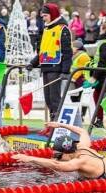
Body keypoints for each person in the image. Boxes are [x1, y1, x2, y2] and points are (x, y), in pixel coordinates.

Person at [12, 122, 106, 179]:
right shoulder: (83, 146)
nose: (56, 158)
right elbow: (82, 131)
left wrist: (30, 158)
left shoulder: (80, 161)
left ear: (67, 153)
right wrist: (60, 125)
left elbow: (57, 165)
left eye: (58, 156)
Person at [26, 3, 72, 134]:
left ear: (52, 14)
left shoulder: (62, 29)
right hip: (46, 68)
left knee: (54, 99)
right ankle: (52, 125)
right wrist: (33, 63)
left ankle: (57, 128)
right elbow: (42, 51)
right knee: (48, 99)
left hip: (56, 68)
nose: (43, 17)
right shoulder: (46, 29)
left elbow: (67, 52)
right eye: (42, 15)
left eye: (45, 15)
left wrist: (65, 71)